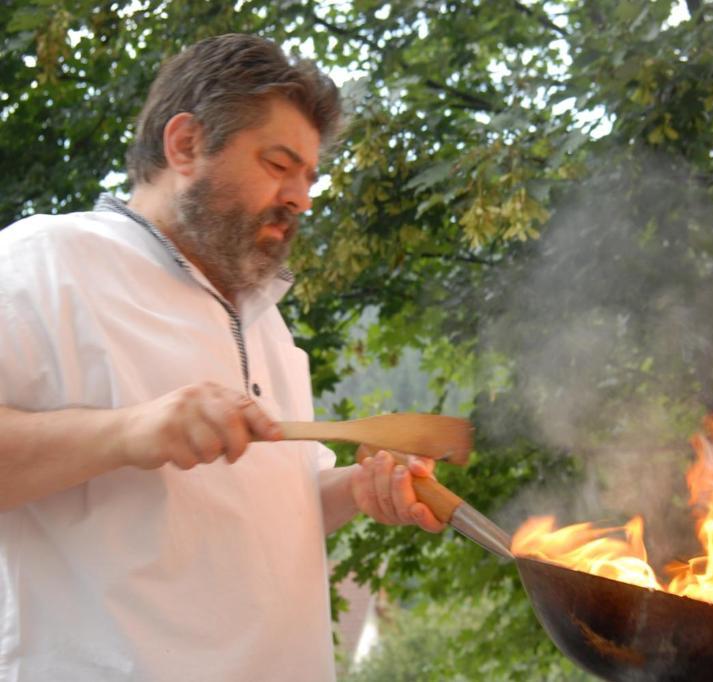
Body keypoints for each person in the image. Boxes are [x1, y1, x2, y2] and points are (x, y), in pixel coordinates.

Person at [0, 33, 443, 681]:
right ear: (186, 145)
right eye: (277, 163)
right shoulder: (42, 264)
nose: (302, 198)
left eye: (309, 176)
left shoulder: (268, 329)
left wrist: (359, 487)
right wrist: (129, 431)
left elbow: (274, 515)